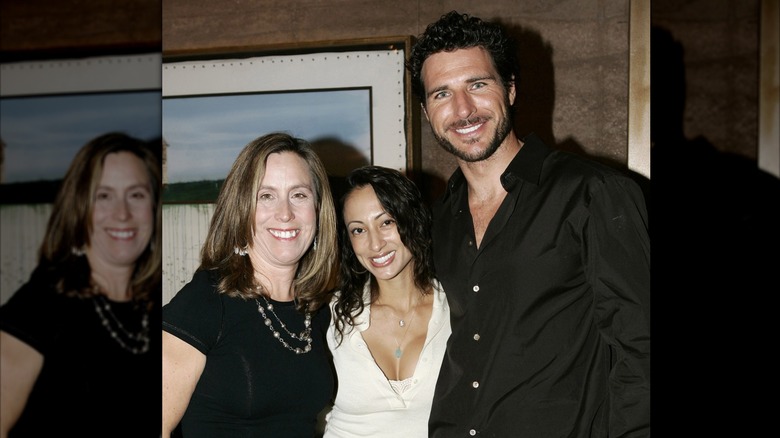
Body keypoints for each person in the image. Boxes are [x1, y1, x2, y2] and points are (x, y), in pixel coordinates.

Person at [406, 11, 651, 437]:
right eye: (442, 94)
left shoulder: (592, 193)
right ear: (427, 112)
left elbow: (641, 349)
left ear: (511, 89)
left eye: (477, 85)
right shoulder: (441, 218)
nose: (463, 110)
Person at [161, 132, 338, 437]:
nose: (285, 214)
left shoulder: (319, 309)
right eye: (265, 196)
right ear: (241, 210)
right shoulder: (206, 301)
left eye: (299, 195)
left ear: (319, 210)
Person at [0, 132, 162, 437]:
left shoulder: (157, 305)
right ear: (78, 209)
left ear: (153, 207)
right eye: (103, 196)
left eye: (136, 194)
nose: (123, 214)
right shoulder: (39, 306)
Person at [323, 166, 451, 438]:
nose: (375, 244)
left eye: (386, 222)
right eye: (358, 230)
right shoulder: (332, 315)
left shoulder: (458, 310)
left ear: (411, 219)